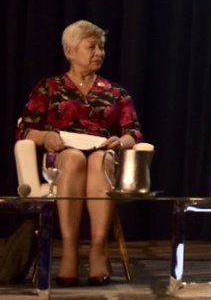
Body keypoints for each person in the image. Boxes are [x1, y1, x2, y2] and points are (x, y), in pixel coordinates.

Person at [17, 20, 143, 287]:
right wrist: (46, 137)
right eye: (92, 47)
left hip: (104, 156)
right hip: (61, 157)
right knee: (73, 158)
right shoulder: (48, 88)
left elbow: (134, 133)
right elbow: (25, 130)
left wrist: (120, 142)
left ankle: (98, 249)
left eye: (101, 47)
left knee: (99, 160)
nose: (99, 53)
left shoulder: (115, 93)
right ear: (70, 52)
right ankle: (70, 251)